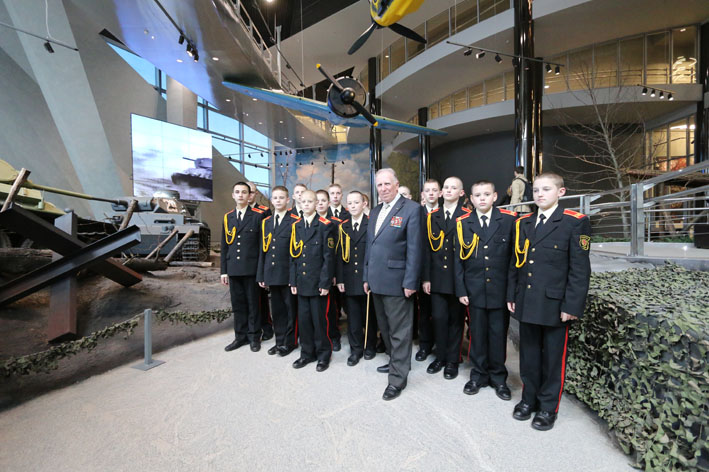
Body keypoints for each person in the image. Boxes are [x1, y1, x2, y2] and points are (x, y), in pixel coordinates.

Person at [507, 172, 592, 431]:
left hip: (555, 305)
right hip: (528, 301)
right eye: (536, 190)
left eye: (546, 189)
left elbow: (580, 270)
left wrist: (571, 305)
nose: (540, 194)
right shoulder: (524, 223)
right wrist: (512, 295)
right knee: (529, 356)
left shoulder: (574, 223)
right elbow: (516, 264)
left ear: (561, 192)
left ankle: (547, 408)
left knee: (553, 360)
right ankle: (528, 399)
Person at [454, 180, 517, 400]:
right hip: (474, 290)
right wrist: (461, 290)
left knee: (498, 336)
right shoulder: (463, 223)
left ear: (494, 196)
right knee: (477, 335)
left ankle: (498, 378)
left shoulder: (509, 220)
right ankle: (478, 375)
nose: (482, 198)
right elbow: (458, 261)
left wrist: (511, 293)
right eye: (478, 195)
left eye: (486, 194)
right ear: (471, 199)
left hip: (499, 291)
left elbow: (514, 261)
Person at [363, 168, 422, 401]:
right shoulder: (376, 211)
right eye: (379, 185)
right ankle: (395, 361)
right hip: (376, 280)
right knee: (386, 329)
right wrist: (366, 276)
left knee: (400, 332)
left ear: (397, 185)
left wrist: (410, 281)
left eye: (387, 184)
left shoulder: (412, 209)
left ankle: (397, 378)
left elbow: (415, 249)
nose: (383, 188)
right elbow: (370, 246)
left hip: (398, 282)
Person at [422, 176, 470, 380]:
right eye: (446, 187)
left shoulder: (467, 216)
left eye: (454, 187)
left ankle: (452, 360)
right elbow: (427, 250)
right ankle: (440, 356)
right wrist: (426, 278)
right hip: (437, 278)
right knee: (439, 319)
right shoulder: (432, 216)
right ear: (441, 192)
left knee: (456, 320)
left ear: (461, 193)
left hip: (457, 279)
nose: (449, 190)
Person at [289, 190, 336, 372]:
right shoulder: (296, 226)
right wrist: (293, 281)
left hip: (317, 284)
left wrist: (325, 283)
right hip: (301, 282)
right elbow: (293, 256)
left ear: (316, 204)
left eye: (310, 201)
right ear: (299, 204)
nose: (306, 204)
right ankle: (307, 353)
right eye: (303, 202)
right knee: (304, 321)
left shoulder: (325, 225)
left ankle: (323, 355)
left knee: (319, 321)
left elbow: (328, 258)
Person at [221, 181, 265, 352]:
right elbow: (225, 246)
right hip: (233, 268)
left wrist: (261, 272)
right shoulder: (228, 217)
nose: (240, 195)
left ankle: (254, 337)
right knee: (238, 305)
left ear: (249, 196)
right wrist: (223, 271)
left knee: (253, 305)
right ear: (233, 195)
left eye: (244, 192)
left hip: (251, 269)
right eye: (237, 192)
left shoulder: (257, 216)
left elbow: (262, 247)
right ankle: (240, 337)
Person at [257, 186, 299, 357]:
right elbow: (263, 250)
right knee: (277, 311)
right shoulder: (266, 222)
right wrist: (261, 274)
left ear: (288, 200)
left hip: (288, 274)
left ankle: (290, 342)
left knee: (290, 310)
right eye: (275, 198)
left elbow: (296, 252)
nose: (278, 200)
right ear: (272, 200)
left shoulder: (295, 221)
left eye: (282, 197)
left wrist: (294, 276)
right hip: (272, 273)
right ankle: (279, 341)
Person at [336, 191, 377, 365]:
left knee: (369, 316)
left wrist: (370, 277)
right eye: (350, 203)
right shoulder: (343, 226)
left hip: (366, 278)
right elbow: (339, 255)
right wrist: (340, 279)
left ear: (364, 204)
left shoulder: (372, 224)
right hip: (349, 278)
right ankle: (356, 349)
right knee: (353, 317)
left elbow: (374, 254)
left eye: (356, 202)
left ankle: (370, 346)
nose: (353, 206)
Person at [415, 179, 441, 362]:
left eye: (434, 190)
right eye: (427, 190)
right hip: (422, 272)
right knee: (424, 312)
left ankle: (441, 346)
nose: (431, 193)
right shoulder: (416, 214)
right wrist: (424, 277)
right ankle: (424, 345)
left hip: (441, 272)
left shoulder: (445, 213)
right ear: (422, 194)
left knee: (440, 314)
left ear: (440, 193)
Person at [247, 182, 273, 341]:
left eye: (251, 192)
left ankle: (266, 327)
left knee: (261, 299)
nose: (248, 195)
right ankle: (250, 329)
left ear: (256, 194)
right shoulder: (236, 213)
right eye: (245, 192)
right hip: (245, 263)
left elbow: (268, 241)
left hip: (260, 261)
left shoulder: (264, 211)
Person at [317, 189, 342, 351]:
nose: (320, 204)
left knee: (331, 307)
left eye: (323, 201)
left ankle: (334, 336)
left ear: (328, 203)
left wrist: (334, 274)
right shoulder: (308, 221)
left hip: (329, 272)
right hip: (313, 272)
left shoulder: (335, 223)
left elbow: (337, 252)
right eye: (317, 201)